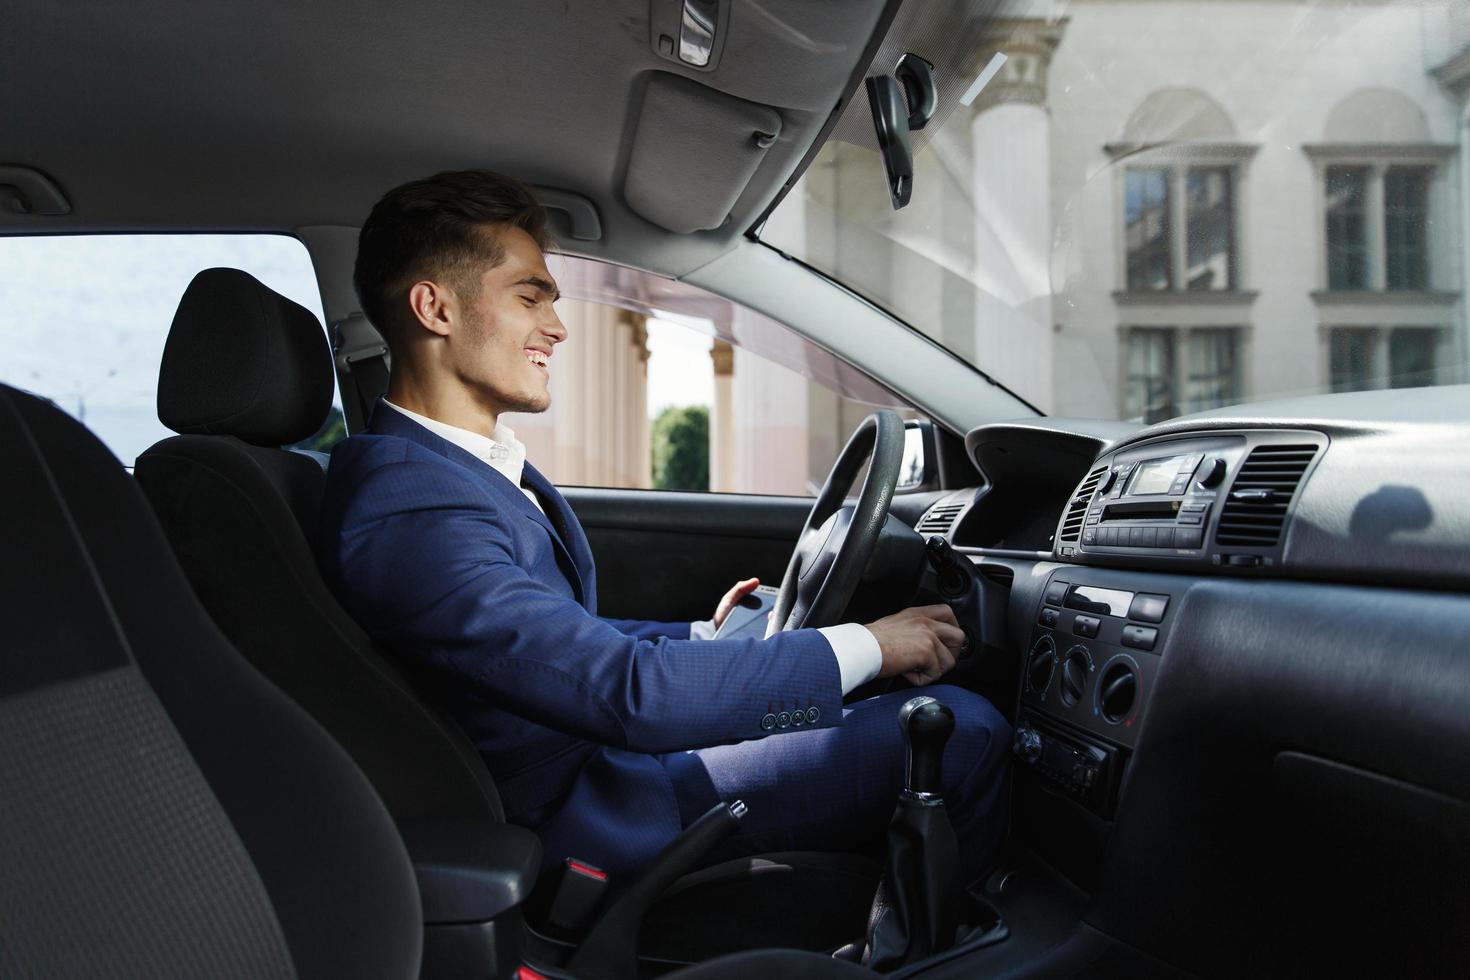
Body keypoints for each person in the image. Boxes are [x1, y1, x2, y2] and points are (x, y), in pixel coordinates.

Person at [318, 170, 1011, 881]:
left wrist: (701, 637)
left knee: (895, 704)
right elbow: (623, 691)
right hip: (590, 810)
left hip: (608, 761)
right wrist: (871, 644)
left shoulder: (451, 472)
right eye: (530, 297)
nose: (556, 327)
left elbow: (546, 644)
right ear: (435, 308)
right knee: (963, 727)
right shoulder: (408, 502)